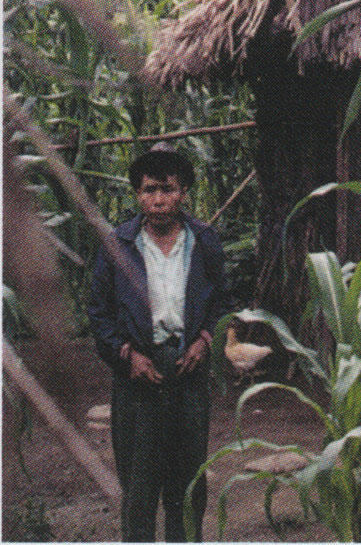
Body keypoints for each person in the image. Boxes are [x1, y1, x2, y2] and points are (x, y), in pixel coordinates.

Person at [87, 143, 231, 542]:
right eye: (150, 190)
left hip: (188, 368)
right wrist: (127, 355)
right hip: (138, 375)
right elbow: (98, 312)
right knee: (139, 480)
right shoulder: (120, 244)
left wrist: (204, 340)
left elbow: (222, 300)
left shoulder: (203, 241)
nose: (159, 199)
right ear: (138, 195)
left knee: (187, 478)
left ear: (183, 191)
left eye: (167, 189)